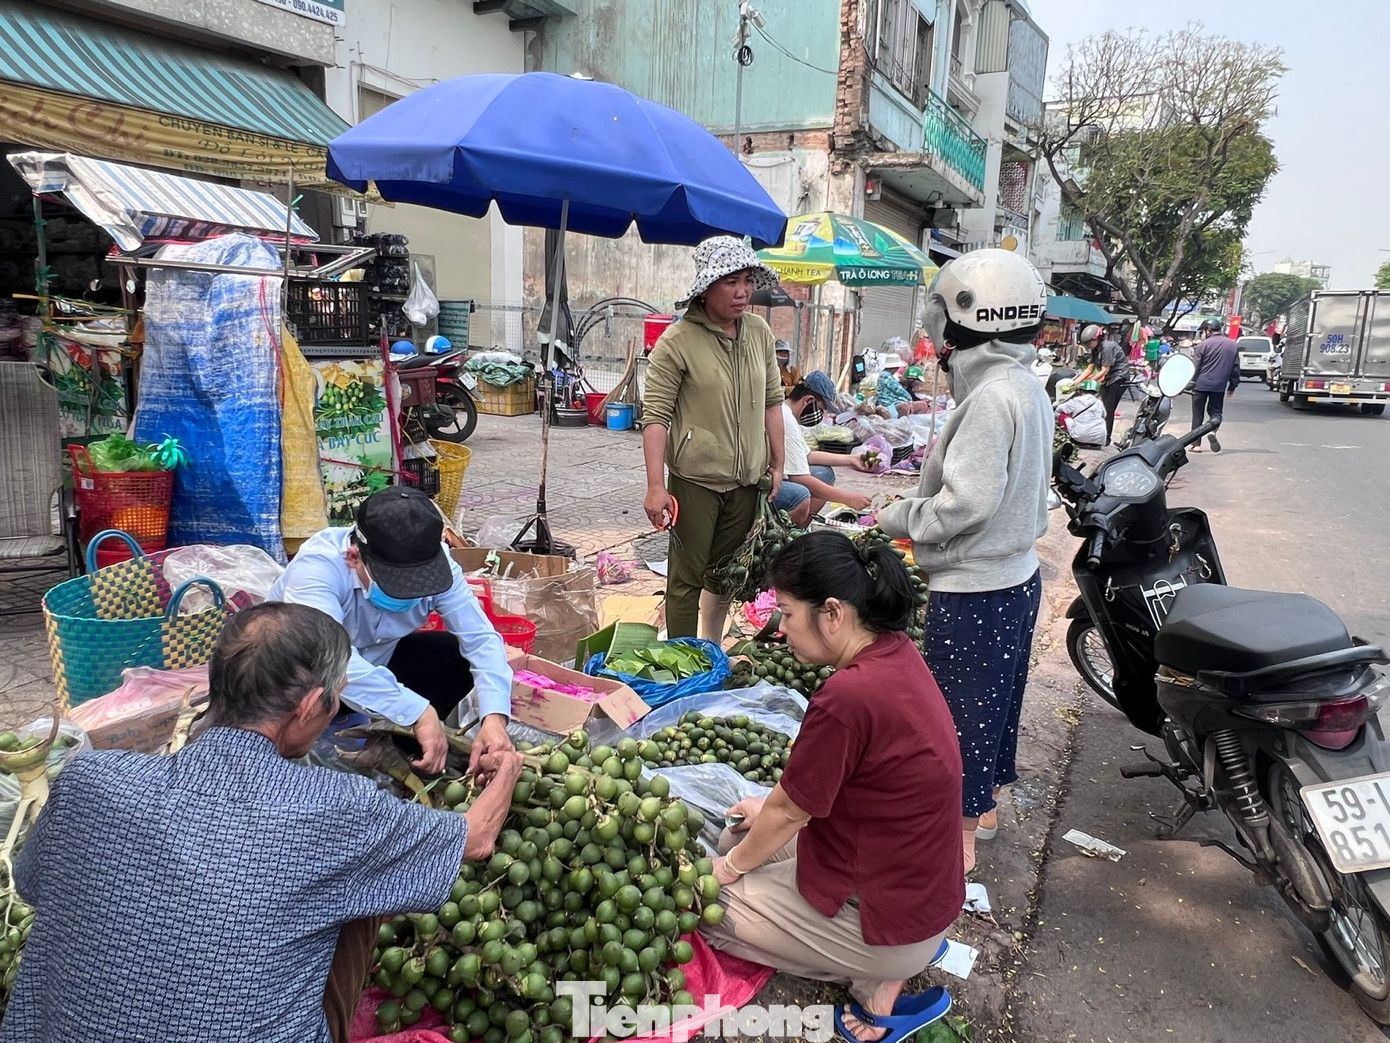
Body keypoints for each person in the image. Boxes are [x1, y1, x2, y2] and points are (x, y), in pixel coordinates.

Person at [1, 601, 525, 1043]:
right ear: (311, 706)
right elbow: (475, 838)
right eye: (335, 695)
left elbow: (31, 885)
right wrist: (509, 767)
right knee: (367, 890)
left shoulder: (90, 775)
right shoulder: (338, 807)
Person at [702, 531, 964, 1043]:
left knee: (705, 905)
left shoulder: (848, 696)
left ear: (833, 613)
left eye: (788, 613)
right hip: (922, 894)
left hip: (889, 918)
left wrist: (728, 870)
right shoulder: (895, 651)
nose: (781, 630)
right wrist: (761, 824)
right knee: (738, 831)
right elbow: (795, 802)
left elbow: (790, 813)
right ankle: (881, 960)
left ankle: (875, 972)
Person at [875, 249, 1051, 874]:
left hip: (977, 585)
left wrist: (896, 515)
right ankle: (988, 806)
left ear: (969, 316)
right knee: (996, 701)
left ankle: (958, 843)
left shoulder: (990, 400)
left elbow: (965, 504)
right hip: (1016, 577)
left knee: (959, 714)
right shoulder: (1025, 386)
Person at [267, 486, 514, 776]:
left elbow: (480, 638)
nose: (409, 597)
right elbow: (332, 661)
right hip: (305, 676)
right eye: (397, 586)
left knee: (450, 655)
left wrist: (494, 717)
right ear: (354, 557)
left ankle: (406, 755)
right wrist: (418, 711)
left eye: (418, 587)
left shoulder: (440, 565)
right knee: (315, 684)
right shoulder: (316, 571)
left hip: (378, 665)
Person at [643, 236, 785, 640]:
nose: (742, 292)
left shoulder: (758, 332)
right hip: (695, 483)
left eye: (746, 280)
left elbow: (773, 401)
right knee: (687, 579)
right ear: (705, 288)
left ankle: (711, 647)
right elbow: (656, 417)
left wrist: (778, 463)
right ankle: (684, 660)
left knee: (725, 574)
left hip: (746, 483)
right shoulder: (678, 341)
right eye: (730, 282)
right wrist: (656, 487)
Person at [772, 373, 873, 526]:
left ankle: (800, 526)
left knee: (824, 473)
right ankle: (788, 531)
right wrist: (848, 499)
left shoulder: (787, 413)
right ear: (808, 401)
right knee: (801, 495)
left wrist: (851, 459)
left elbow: (807, 456)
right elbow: (800, 478)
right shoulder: (785, 419)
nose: (821, 415)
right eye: (821, 409)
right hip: (759, 487)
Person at [1070, 323, 1131, 443]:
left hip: (1118, 378)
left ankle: (1105, 438)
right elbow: (1090, 368)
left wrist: (1091, 381)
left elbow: (1105, 370)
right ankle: (1099, 435)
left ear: (1096, 338)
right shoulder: (1095, 349)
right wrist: (1076, 381)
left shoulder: (1107, 347)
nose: (1088, 346)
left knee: (1108, 409)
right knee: (1102, 406)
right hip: (1109, 378)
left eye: (1089, 343)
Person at [1189, 316, 1239, 453]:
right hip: (1219, 386)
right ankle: (1213, 430)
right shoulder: (1232, 345)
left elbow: (1196, 367)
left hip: (1200, 385)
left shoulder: (1202, 345)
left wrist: (1189, 383)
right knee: (1216, 412)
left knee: (1197, 414)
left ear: (1209, 330)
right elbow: (1235, 368)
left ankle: (1196, 444)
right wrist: (1233, 386)